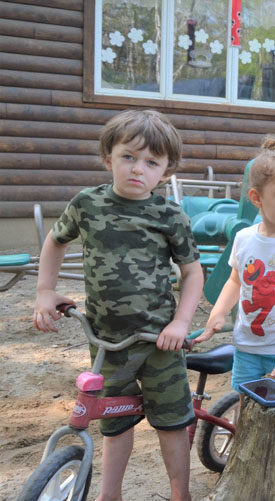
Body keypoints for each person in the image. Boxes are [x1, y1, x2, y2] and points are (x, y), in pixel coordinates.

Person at [32, 109, 204, 501]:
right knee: (114, 423)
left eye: (151, 162)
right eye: (128, 157)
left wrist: (180, 322)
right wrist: (45, 291)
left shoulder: (169, 215)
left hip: (160, 340)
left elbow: (193, 273)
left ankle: (181, 494)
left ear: (166, 170)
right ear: (108, 157)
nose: (137, 169)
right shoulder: (87, 204)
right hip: (107, 341)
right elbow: (56, 241)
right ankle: (110, 494)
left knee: (172, 422)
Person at [195, 136, 275, 386]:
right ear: (256, 198)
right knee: (245, 404)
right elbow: (235, 281)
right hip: (246, 347)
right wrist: (218, 313)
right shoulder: (244, 239)